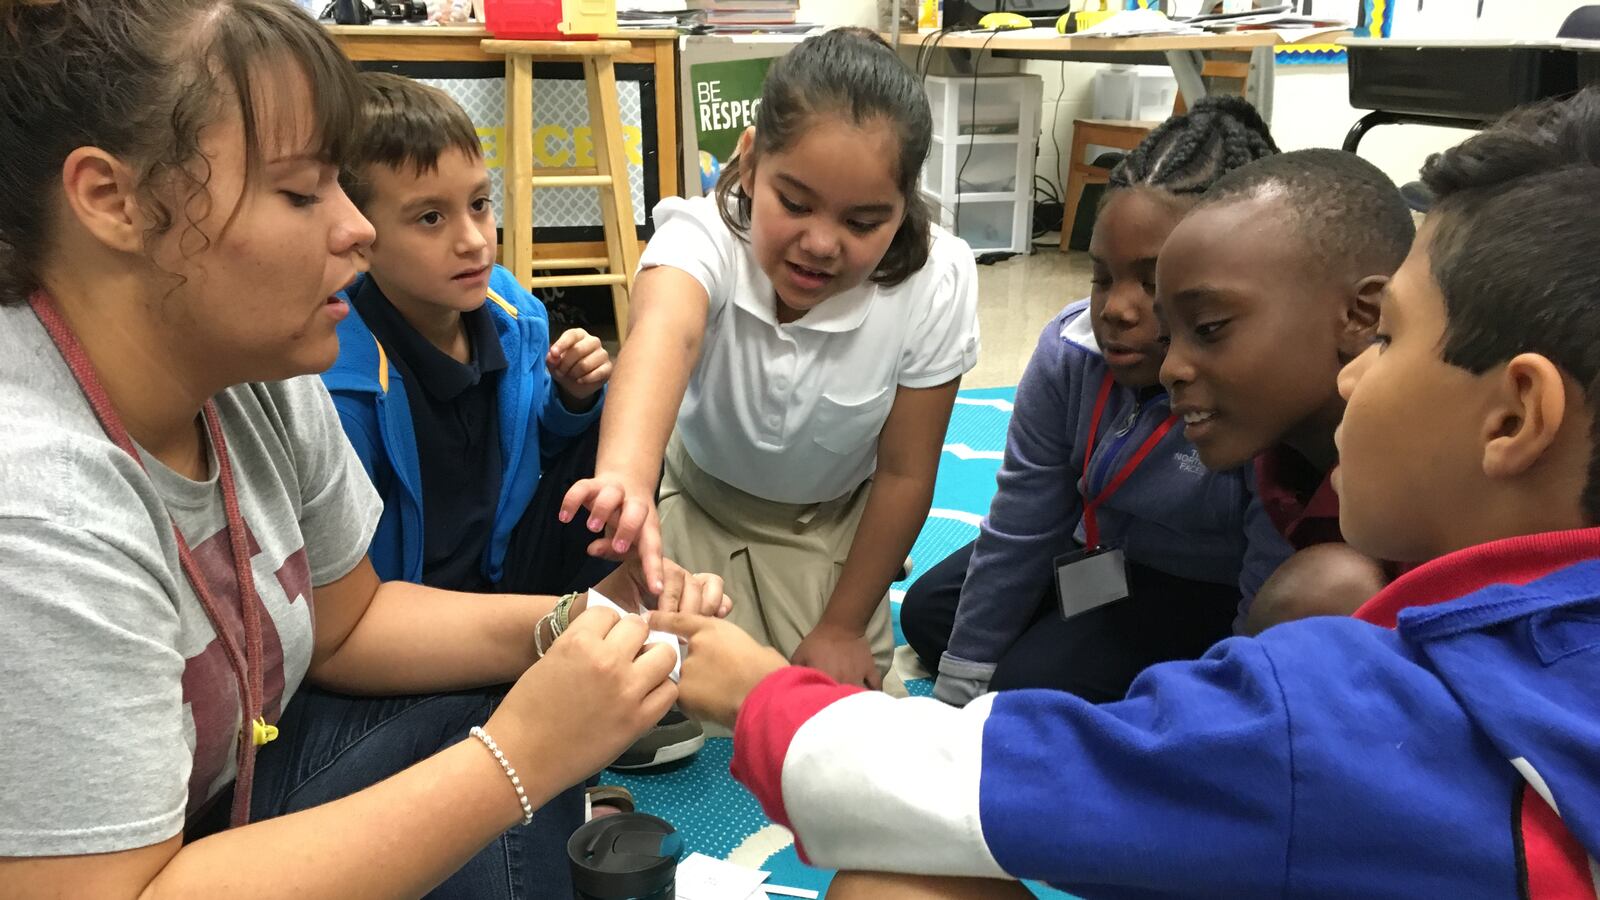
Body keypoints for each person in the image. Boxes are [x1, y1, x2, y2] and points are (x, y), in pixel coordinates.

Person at [653, 89, 1600, 898]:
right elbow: (1023, 523)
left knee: (894, 879)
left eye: (1389, 339)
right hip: (1126, 597)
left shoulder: (1339, 718)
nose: (1356, 375)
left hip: (1204, 680)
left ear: (1516, 418)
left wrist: (756, 692)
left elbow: (989, 786)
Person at [0, 3, 723, 897]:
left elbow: (350, 623)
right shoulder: (36, 508)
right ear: (112, 200)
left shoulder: (256, 370)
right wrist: (521, 757)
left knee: (539, 696)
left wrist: (579, 624)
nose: (356, 229)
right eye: (303, 193)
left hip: (243, 785)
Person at [561, 27, 980, 690]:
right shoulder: (704, 233)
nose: (820, 243)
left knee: (838, 727)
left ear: (903, 212)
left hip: (833, 531)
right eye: (795, 203)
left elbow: (904, 474)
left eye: (863, 222)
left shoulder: (938, 278)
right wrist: (626, 481)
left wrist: (842, 626)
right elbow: (665, 336)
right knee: (636, 703)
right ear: (750, 162)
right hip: (696, 511)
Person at [899, 96, 1291, 706]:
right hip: (1093, 554)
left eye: (1153, 282)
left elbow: (1267, 582)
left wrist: (1221, 713)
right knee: (932, 616)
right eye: (1102, 276)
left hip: (1200, 586)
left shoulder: (1258, 390)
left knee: (1028, 685)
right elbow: (1023, 523)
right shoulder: (1069, 352)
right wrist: (957, 693)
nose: (1117, 309)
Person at [1156, 148, 1416, 624]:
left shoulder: (1453, 496)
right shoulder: (1282, 469)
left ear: (1362, 315)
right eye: (1166, 336)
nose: (1170, 368)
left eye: (1210, 327)